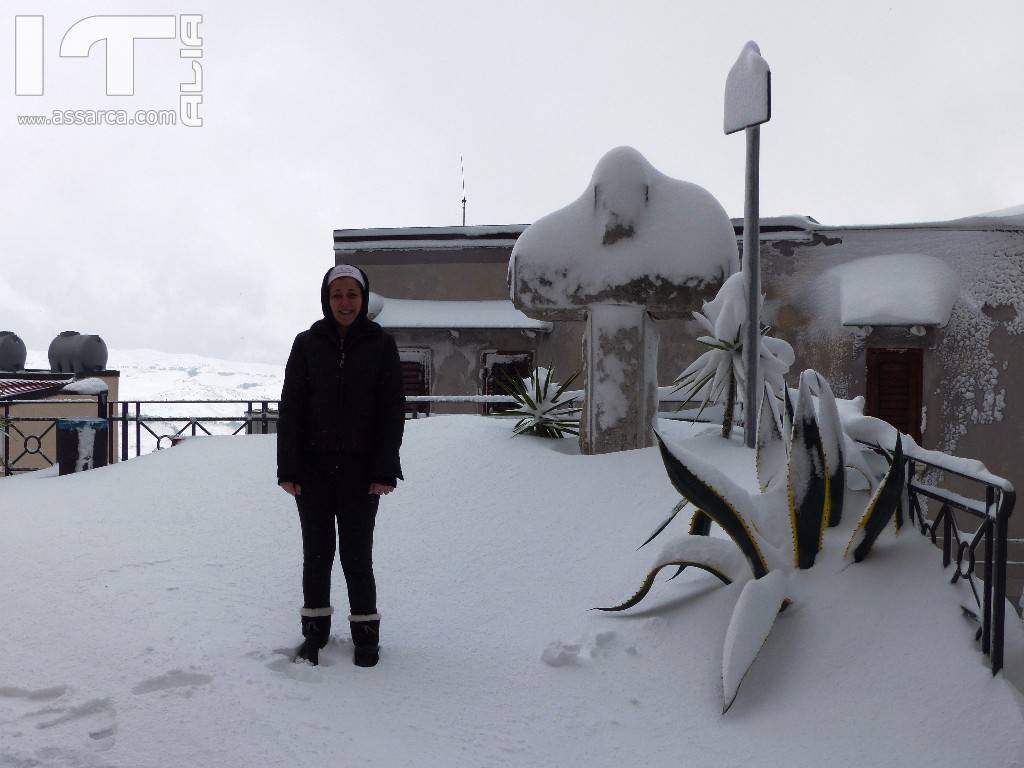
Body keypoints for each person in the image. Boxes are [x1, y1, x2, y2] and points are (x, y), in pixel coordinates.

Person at [277, 264, 405, 667]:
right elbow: (292, 409)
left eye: (352, 295)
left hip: (361, 474)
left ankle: (366, 636)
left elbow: (392, 411)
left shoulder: (381, 344)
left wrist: (384, 470)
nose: (345, 303)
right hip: (312, 472)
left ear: (363, 298)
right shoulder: (306, 343)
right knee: (316, 552)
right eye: (337, 295)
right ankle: (314, 635)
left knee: (356, 554)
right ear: (326, 299)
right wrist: (289, 469)